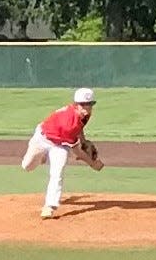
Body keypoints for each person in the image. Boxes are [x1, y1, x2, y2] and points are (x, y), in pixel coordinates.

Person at [20, 86, 104, 219]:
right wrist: (92, 163)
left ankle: (50, 206)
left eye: (90, 104)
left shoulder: (85, 114)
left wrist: (84, 140)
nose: (87, 108)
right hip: (42, 138)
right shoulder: (69, 123)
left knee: (57, 172)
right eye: (83, 105)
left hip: (59, 145)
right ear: (76, 105)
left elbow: (80, 128)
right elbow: (77, 150)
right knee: (27, 166)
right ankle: (43, 155)